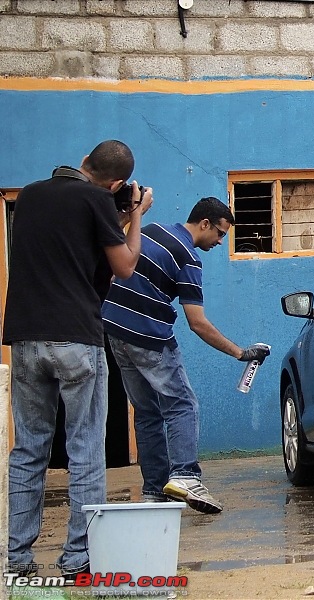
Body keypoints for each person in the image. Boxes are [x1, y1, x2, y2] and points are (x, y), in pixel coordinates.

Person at [3, 140, 153, 577]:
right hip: (76, 342)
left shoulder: (30, 195)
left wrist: (116, 214)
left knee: (29, 450)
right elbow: (124, 265)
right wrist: (136, 213)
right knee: (85, 449)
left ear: (85, 162)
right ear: (118, 182)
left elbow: (74, 244)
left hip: (26, 338)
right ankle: (77, 558)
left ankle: (18, 561)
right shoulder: (95, 199)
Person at [101, 197, 269, 514]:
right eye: (220, 233)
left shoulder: (150, 230)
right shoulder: (187, 258)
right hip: (149, 336)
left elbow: (115, 272)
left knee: (147, 413)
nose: (220, 242)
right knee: (182, 405)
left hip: (115, 331)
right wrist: (240, 353)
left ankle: (153, 491)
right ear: (204, 223)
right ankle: (185, 476)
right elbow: (198, 323)